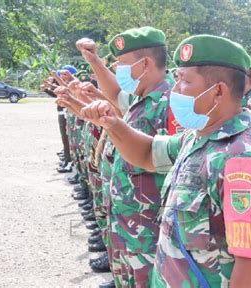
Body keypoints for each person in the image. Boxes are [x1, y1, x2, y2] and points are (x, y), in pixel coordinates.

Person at [81, 34, 251, 288]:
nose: (175, 90)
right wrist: (112, 124)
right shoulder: (196, 139)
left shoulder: (242, 161)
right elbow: (146, 153)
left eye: (184, 81)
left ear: (218, 91)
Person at [76, 26, 177, 287]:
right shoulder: (139, 97)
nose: (119, 70)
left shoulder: (171, 103)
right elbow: (114, 94)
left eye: (122, 64)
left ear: (145, 64)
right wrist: (94, 60)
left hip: (148, 224)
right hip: (128, 216)